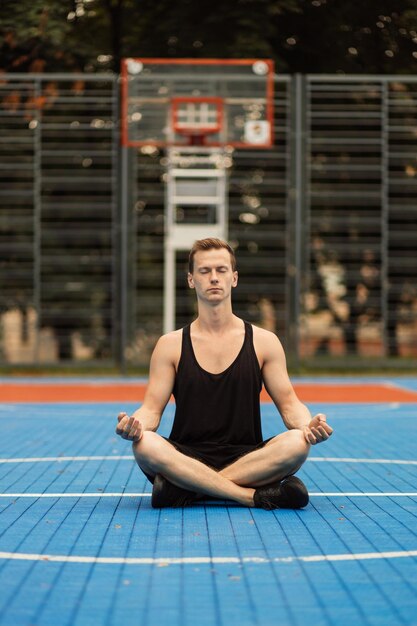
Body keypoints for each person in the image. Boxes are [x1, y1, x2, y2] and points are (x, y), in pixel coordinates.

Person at [116, 238, 333, 509]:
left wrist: (307, 425)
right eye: (205, 271)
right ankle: (249, 496)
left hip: (249, 458)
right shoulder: (169, 345)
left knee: (298, 444)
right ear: (191, 280)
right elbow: (151, 410)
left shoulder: (264, 342)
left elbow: (290, 404)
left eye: (221, 270)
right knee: (144, 444)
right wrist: (135, 425)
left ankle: (187, 490)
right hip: (185, 456)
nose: (214, 278)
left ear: (234, 278)